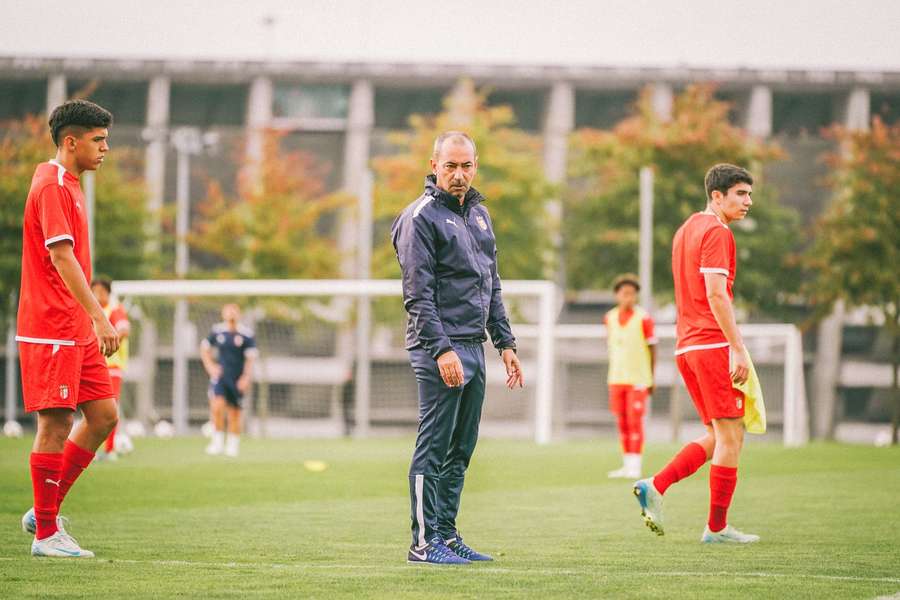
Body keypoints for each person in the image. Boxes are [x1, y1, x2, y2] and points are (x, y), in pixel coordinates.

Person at [391, 131, 524, 565]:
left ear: (475, 165)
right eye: (451, 166)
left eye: (466, 166)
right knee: (434, 445)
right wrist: (442, 349)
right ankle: (423, 543)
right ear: (434, 165)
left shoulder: (480, 214)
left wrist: (504, 341)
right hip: (439, 349)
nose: (459, 174)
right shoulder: (420, 217)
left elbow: (491, 283)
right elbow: (418, 295)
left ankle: (447, 536)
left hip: (474, 346)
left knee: (461, 448)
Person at [633, 163, 760, 544]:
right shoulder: (717, 231)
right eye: (740, 194)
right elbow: (716, 293)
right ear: (716, 196)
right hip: (711, 345)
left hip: (687, 345)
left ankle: (656, 484)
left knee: (718, 434)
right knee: (732, 436)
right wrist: (737, 349)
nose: (748, 201)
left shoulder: (686, 228)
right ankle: (716, 528)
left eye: (750, 194)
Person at [17, 100, 119, 558]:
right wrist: (101, 315)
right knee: (55, 424)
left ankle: (46, 510)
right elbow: (62, 257)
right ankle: (45, 536)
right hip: (52, 326)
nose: (105, 149)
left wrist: (90, 320)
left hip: (74, 325)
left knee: (103, 416)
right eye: (98, 140)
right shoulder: (54, 184)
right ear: (70, 142)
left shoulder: (72, 184)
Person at [604, 273, 656, 479]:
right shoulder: (609, 318)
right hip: (616, 378)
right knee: (622, 422)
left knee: (635, 422)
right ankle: (626, 464)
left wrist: (651, 377)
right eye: (625, 293)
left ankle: (636, 465)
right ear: (617, 295)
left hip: (638, 379)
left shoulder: (644, 318)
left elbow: (653, 349)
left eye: (633, 294)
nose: (629, 298)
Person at [200, 303, 257, 458]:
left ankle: (232, 446)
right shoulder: (217, 331)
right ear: (223, 314)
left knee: (234, 413)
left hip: (237, 379)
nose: (231, 314)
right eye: (228, 311)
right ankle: (217, 443)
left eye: (234, 311)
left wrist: (246, 377)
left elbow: (250, 359)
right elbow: (204, 348)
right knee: (217, 407)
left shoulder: (246, 334)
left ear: (239, 314)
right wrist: (210, 366)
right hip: (220, 377)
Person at [90, 278, 130, 460]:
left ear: (108, 293)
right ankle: (90, 450)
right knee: (92, 410)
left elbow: (124, 329)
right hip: (92, 365)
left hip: (112, 366)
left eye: (101, 291)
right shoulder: (89, 311)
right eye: (94, 290)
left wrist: (109, 342)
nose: (97, 295)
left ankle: (110, 449)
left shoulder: (114, 310)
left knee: (110, 409)